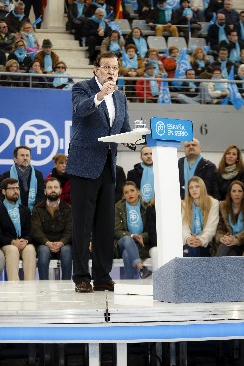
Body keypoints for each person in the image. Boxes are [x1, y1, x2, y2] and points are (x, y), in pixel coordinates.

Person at [67, 51, 131, 293]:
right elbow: (81, 110)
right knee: (83, 227)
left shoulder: (122, 98)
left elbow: (123, 129)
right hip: (84, 166)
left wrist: (133, 140)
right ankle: (81, 277)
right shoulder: (81, 89)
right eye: (106, 67)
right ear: (96, 69)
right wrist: (101, 95)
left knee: (105, 227)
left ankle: (103, 277)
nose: (111, 72)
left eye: (115, 68)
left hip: (107, 167)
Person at [31, 178, 73, 280]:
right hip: (45, 244)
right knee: (43, 251)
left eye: (55, 187)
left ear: (60, 190)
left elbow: (70, 231)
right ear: (45, 191)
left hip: (63, 244)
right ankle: (43, 285)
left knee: (67, 250)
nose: (53, 190)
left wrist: (61, 242)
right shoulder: (37, 209)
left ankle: (66, 284)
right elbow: (36, 230)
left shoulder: (68, 208)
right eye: (49, 188)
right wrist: (47, 243)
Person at [0, 178, 36, 281]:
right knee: (12, 250)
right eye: (12, 188)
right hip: (7, 245)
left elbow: (31, 231)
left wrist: (26, 240)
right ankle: (14, 289)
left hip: (23, 243)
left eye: (17, 188)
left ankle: (29, 288)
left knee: (30, 249)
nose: (16, 191)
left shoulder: (25, 210)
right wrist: (12, 241)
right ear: (4, 191)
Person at [115, 181, 153, 279]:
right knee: (128, 239)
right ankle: (141, 267)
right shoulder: (118, 207)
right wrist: (132, 236)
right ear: (124, 195)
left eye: (132, 190)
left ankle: (130, 284)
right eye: (126, 192)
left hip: (141, 244)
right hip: (122, 243)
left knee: (127, 254)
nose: (130, 194)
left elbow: (151, 231)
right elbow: (116, 231)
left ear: (138, 192)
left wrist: (142, 236)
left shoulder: (147, 207)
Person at [182, 176, 220, 257]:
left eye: (197, 186)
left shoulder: (213, 203)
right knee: (188, 250)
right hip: (189, 242)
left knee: (190, 251)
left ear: (202, 188)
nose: (194, 190)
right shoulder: (185, 205)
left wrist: (200, 240)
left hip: (206, 243)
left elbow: (211, 228)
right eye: (191, 188)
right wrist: (188, 238)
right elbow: (184, 227)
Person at [0, 146, 45, 211]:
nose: (25, 158)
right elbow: (4, 196)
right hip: (12, 213)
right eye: (22, 155)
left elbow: (41, 196)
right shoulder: (7, 175)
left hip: (34, 212)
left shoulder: (38, 175)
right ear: (15, 159)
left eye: (27, 155)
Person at [215, 180, 244, 257]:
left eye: (240, 191)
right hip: (228, 240)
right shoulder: (222, 206)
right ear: (230, 194)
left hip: (243, 241)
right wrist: (221, 238)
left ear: (243, 194)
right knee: (225, 247)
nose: (237, 194)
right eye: (234, 191)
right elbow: (219, 228)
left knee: (229, 252)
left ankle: (214, 268)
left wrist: (237, 239)